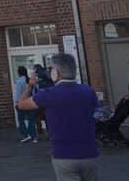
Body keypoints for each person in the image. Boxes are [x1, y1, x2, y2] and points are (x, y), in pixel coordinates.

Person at [18, 53, 98, 181]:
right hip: (89, 154)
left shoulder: (49, 94)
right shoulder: (88, 91)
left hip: (64, 155)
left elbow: (21, 104)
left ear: (55, 72)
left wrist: (30, 85)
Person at [15, 65, 38, 143]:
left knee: (21, 119)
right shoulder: (30, 80)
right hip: (31, 102)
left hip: (23, 103)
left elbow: (18, 94)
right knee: (31, 120)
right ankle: (34, 137)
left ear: (19, 73)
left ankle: (25, 135)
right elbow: (36, 89)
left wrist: (17, 103)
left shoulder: (19, 82)